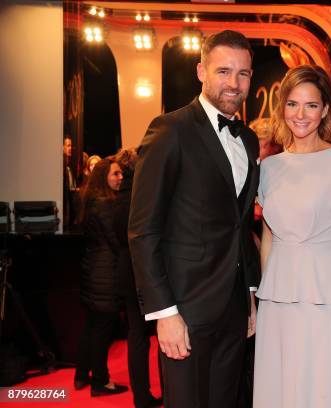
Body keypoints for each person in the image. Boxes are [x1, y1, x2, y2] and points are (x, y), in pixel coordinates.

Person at [128, 30, 260, 408]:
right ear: (201, 71)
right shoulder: (170, 130)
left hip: (233, 307)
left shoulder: (248, 141)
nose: (233, 83)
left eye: (244, 73)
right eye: (223, 71)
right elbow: (143, 229)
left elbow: (239, 226)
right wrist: (164, 312)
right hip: (184, 308)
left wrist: (249, 293)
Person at [253, 65, 331, 408]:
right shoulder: (269, 168)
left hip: (327, 295)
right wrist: (262, 296)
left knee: (321, 388)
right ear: (282, 108)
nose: (300, 114)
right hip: (278, 297)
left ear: (325, 110)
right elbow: (270, 238)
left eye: (311, 105)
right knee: (281, 388)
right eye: (292, 104)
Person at [74, 157, 128, 397]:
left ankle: (81, 375)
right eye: (115, 174)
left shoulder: (89, 199)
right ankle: (100, 382)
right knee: (101, 331)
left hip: (93, 270)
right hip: (104, 274)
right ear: (104, 176)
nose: (120, 178)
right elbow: (116, 241)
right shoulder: (105, 203)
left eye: (121, 174)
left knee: (92, 327)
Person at [112, 148, 162, 408]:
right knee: (163, 332)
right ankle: (171, 393)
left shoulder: (117, 199)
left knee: (136, 336)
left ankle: (140, 397)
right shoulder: (143, 197)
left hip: (125, 271)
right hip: (145, 271)